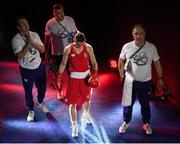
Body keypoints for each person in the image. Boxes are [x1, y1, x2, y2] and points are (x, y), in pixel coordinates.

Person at [118, 24, 164, 135]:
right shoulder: (127, 46)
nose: (139, 36)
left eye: (141, 33)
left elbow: (157, 63)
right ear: (132, 34)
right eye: (136, 33)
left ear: (145, 34)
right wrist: (121, 74)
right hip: (130, 82)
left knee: (145, 104)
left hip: (145, 82)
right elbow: (120, 61)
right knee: (128, 104)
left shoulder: (151, 47)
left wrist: (160, 78)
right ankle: (126, 122)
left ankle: (146, 123)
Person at [55, 32, 98, 137]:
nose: (80, 45)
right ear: (74, 40)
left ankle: (86, 114)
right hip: (74, 79)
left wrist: (95, 74)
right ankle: (74, 126)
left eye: (82, 43)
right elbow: (63, 63)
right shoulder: (68, 49)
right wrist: (59, 76)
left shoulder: (88, 47)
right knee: (72, 104)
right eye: (78, 43)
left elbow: (94, 62)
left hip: (86, 78)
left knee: (87, 99)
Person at [11, 16, 49, 122]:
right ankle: (31, 110)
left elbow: (42, 50)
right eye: (23, 24)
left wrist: (32, 41)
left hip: (39, 66)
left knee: (42, 88)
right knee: (28, 91)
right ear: (18, 27)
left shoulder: (34, 34)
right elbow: (20, 56)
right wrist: (28, 43)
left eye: (27, 23)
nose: (26, 25)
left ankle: (40, 102)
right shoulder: (16, 39)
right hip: (26, 69)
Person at [44, 3, 78, 100]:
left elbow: (75, 33)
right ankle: (60, 91)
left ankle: (73, 90)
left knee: (72, 72)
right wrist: (46, 53)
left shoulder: (70, 20)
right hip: (57, 53)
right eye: (57, 13)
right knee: (57, 74)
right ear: (54, 13)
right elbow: (47, 39)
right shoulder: (50, 23)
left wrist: (76, 47)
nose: (60, 15)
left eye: (61, 12)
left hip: (70, 51)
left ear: (63, 11)